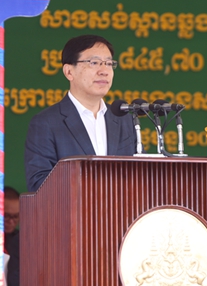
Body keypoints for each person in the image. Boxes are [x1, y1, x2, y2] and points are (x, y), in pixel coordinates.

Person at [24, 34, 136, 192]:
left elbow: (140, 175)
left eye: (109, 63)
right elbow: (39, 184)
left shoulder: (124, 119)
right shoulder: (46, 123)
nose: (104, 71)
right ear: (69, 72)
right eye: (94, 63)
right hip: (72, 208)